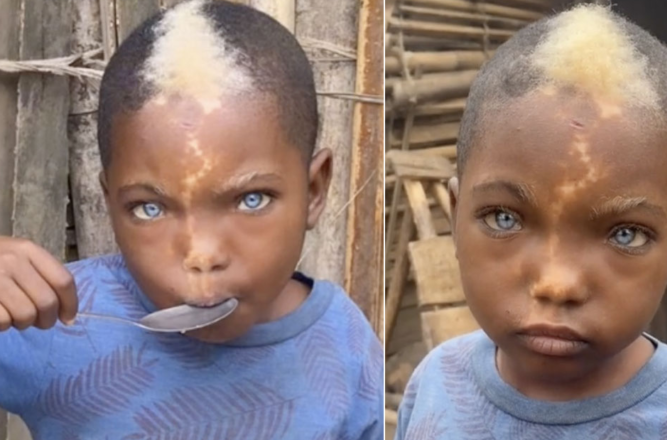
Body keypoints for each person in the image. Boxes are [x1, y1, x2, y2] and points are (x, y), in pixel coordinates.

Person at [0, 1, 382, 439]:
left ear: (313, 191)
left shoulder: (345, 345)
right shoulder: (57, 322)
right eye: (150, 208)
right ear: (109, 203)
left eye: (251, 199)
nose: (201, 255)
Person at [395, 5, 667, 439]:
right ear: (455, 218)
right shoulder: (435, 384)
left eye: (626, 233)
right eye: (504, 218)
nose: (557, 283)